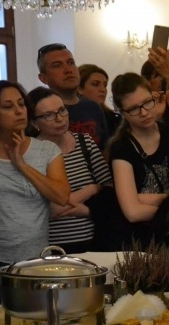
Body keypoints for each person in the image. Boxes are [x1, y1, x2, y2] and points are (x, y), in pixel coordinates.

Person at [0, 81, 70, 274]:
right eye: (8, 107)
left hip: (37, 260)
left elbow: (61, 196)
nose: (19, 111)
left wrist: (22, 165)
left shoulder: (47, 150)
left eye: (21, 104)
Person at [29, 87, 113, 254]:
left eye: (61, 110)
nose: (59, 119)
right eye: (49, 115)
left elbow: (108, 187)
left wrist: (88, 211)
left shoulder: (84, 142)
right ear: (34, 122)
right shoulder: (31, 153)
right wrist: (91, 189)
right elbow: (48, 210)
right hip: (51, 248)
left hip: (94, 243)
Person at [108, 73, 169, 248]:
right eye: (134, 109)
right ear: (122, 113)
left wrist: (143, 198)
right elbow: (132, 212)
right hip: (138, 240)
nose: (144, 112)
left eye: (148, 102)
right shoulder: (122, 147)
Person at [36, 43, 109, 150]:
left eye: (71, 63)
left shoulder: (93, 108)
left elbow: (105, 149)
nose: (68, 70)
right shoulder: (40, 112)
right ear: (43, 78)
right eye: (57, 65)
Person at [78, 63, 122, 139]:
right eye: (95, 84)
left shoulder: (114, 119)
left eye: (105, 85)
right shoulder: (68, 116)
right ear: (80, 89)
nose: (103, 90)